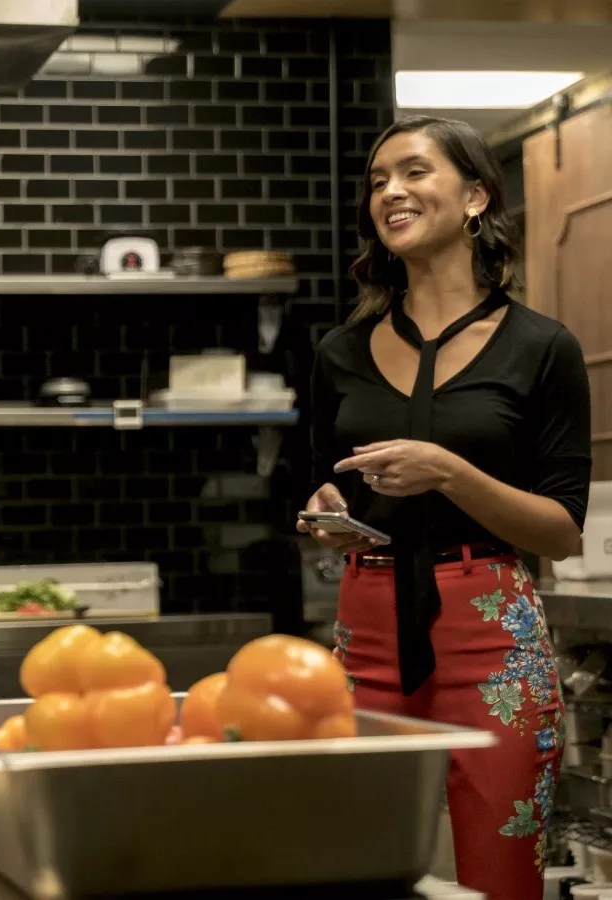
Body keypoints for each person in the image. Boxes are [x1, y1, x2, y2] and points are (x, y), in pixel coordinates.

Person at [297, 115, 590, 899]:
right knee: (352, 877)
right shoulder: (338, 352)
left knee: (501, 881)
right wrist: (325, 510)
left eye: (414, 171)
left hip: (492, 641)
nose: (389, 191)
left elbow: (561, 532)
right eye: (377, 180)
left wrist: (452, 473)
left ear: (475, 198)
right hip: (364, 636)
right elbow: (328, 485)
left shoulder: (542, 347)